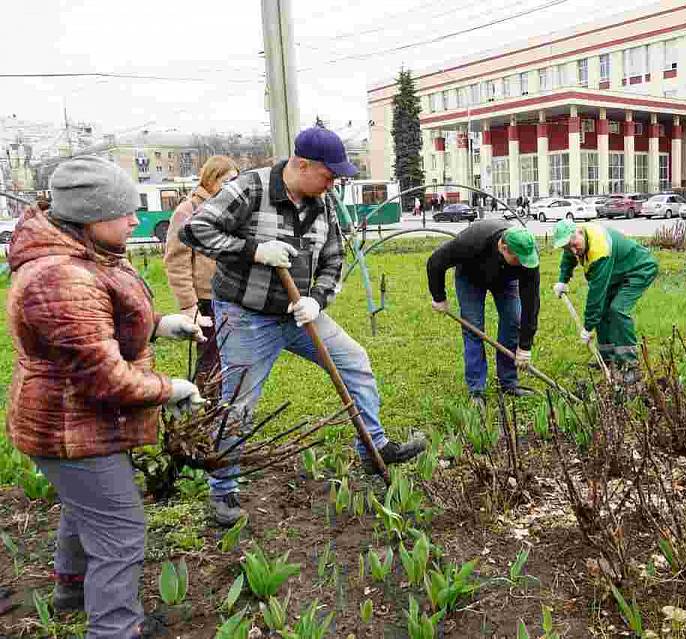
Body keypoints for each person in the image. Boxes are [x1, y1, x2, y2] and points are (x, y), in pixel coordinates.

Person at [180, 126, 426, 526]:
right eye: (329, 175)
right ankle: (222, 490)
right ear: (302, 164)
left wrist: (318, 299)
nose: (334, 183)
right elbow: (195, 230)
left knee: (355, 362)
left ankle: (374, 447)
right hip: (246, 316)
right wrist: (254, 250)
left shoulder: (322, 202)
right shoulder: (251, 190)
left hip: (298, 314)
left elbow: (333, 258)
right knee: (239, 402)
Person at [6, 156, 205, 637]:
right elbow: (103, 377)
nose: (136, 220)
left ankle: (73, 589)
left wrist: (158, 327)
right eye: (125, 211)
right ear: (92, 215)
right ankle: (116, 628)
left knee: (86, 507)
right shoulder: (60, 277)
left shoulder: (83, 256)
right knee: (119, 531)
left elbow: (96, 328)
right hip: (70, 426)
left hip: (74, 420)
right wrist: (168, 389)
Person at [427, 220, 540, 406]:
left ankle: (509, 382)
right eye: (518, 260)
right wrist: (439, 297)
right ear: (503, 248)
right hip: (470, 277)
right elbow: (435, 262)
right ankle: (476, 390)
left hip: (505, 281)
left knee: (513, 321)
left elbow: (531, 301)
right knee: (473, 327)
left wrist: (525, 346)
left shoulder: (527, 253)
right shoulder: (472, 241)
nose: (523, 264)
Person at [163, 155, 239, 398]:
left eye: (235, 181)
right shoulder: (188, 210)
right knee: (210, 359)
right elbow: (176, 261)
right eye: (226, 180)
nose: (231, 186)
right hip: (206, 300)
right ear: (211, 179)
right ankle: (206, 412)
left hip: (233, 296)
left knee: (234, 356)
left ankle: (228, 408)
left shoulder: (231, 208)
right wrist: (189, 305)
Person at [552, 219, 658, 377]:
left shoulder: (600, 249)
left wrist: (588, 327)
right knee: (602, 312)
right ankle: (607, 357)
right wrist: (563, 279)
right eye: (568, 247)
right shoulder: (576, 239)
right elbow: (569, 257)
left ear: (580, 232)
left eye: (574, 245)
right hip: (618, 270)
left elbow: (596, 295)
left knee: (617, 310)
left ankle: (630, 365)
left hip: (639, 269)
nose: (573, 251)